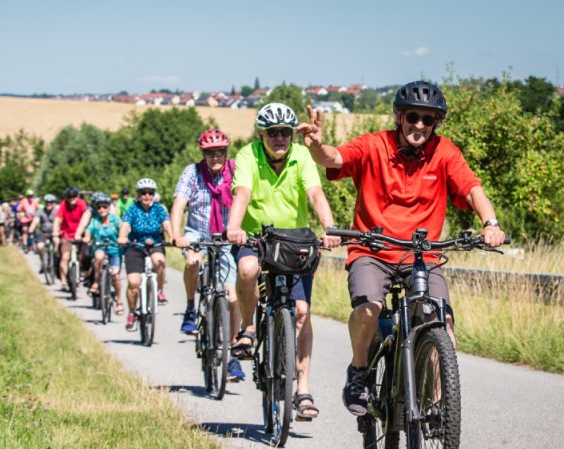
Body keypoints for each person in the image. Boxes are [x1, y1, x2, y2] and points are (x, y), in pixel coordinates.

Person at [298, 80, 506, 416]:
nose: (419, 125)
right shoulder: (374, 145)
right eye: (413, 116)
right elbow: (335, 158)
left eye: (428, 119)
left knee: (442, 323)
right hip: (373, 251)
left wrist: (491, 223)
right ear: (399, 116)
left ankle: (440, 406)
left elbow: (471, 189)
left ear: (435, 123)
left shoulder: (445, 152)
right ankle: (360, 372)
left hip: (422, 256)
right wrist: (316, 147)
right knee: (369, 308)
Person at [226, 103, 341, 418]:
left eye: (285, 133)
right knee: (247, 269)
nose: (280, 138)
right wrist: (233, 228)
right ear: (261, 134)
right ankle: (248, 327)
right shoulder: (248, 155)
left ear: (292, 134)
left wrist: (329, 229)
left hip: (295, 241)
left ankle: (302, 389)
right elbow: (242, 194)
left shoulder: (301, 155)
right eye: (273, 132)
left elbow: (316, 194)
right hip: (256, 238)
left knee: (301, 311)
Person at [171, 128, 244, 381]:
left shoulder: (235, 171)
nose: (216, 157)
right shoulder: (192, 172)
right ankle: (191, 307)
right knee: (192, 260)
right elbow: (179, 205)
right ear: (203, 154)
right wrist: (177, 235)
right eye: (210, 153)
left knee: (233, 297)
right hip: (197, 233)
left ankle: (232, 352)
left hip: (226, 238)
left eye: (220, 152)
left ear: (226, 152)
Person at [117, 178, 173, 332]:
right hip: (135, 246)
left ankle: (160, 291)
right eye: (143, 193)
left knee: (160, 261)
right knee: (133, 283)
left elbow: (167, 223)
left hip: (154, 244)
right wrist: (122, 236)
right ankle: (131, 313)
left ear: (154, 194)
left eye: (150, 193)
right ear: (138, 194)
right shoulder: (132, 209)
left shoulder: (159, 209)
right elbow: (125, 224)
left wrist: (174, 236)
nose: (147, 196)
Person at [84, 192, 125, 315]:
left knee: (116, 275)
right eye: (99, 207)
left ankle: (119, 301)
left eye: (104, 207)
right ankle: (96, 282)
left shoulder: (115, 218)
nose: (102, 209)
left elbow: (123, 227)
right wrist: (86, 238)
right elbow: (88, 230)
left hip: (115, 250)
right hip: (100, 247)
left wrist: (123, 237)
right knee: (98, 256)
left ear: (109, 207)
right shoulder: (95, 220)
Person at [52, 187, 89, 291]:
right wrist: (55, 233)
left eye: (73, 197)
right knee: (65, 257)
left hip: (80, 235)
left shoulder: (82, 204)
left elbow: (87, 218)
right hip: (67, 234)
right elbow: (57, 219)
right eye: (69, 197)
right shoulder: (63, 205)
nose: (71, 199)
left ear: (77, 196)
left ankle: (85, 275)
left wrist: (86, 234)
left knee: (84, 256)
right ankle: (63, 281)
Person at [30, 194, 59, 271]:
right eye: (47, 202)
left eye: (51, 202)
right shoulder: (40, 211)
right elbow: (35, 220)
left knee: (57, 243)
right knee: (40, 247)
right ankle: (43, 263)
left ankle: (56, 261)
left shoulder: (57, 211)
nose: (49, 204)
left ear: (54, 203)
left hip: (55, 232)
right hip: (43, 232)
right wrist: (31, 230)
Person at [17, 189, 38, 253]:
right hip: (25, 218)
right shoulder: (23, 201)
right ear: (27, 196)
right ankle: (25, 245)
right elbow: (19, 209)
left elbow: (38, 208)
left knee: (33, 231)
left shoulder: (34, 201)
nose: (30, 197)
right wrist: (22, 214)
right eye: (29, 196)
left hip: (32, 218)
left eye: (31, 196)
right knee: (25, 230)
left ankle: (33, 244)